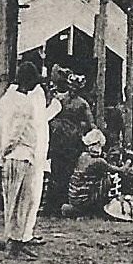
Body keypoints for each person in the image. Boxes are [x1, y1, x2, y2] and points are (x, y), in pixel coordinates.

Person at [0, 60, 43, 259]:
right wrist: (5, 150)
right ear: (28, 81)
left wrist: (1, 151)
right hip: (19, 154)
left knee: (17, 199)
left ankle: (17, 241)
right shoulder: (24, 102)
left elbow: (0, 121)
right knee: (20, 200)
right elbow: (14, 132)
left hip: (17, 155)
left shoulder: (8, 98)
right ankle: (14, 243)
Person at [46, 66, 97, 213]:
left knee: (68, 172)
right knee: (55, 171)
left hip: (72, 141)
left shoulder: (82, 104)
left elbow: (90, 122)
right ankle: (52, 205)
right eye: (71, 86)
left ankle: (63, 203)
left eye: (76, 88)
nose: (73, 90)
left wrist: (94, 135)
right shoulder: (59, 99)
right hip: (58, 139)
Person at [24, 60, 61, 242]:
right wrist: (55, 105)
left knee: (32, 193)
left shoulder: (30, 93)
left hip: (37, 147)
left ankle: (26, 232)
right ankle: (25, 234)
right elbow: (40, 119)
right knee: (32, 193)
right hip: (34, 148)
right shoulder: (35, 93)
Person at [60, 130, 115, 218]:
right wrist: (129, 159)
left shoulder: (83, 156)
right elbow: (119, 170)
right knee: (106, 178)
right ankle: (94, 210)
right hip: (83, 200)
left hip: (74, 198)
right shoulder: (99, 161)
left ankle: (75, 209)